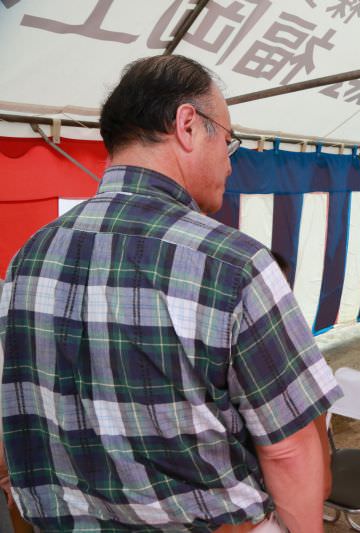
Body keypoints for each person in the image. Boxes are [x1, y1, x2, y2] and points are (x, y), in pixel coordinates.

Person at [0, 55, 341, 532]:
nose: (228, 158)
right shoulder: (234, 264)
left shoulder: (26, 259)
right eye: (227, 139)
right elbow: (288, 448)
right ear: (187, 125)